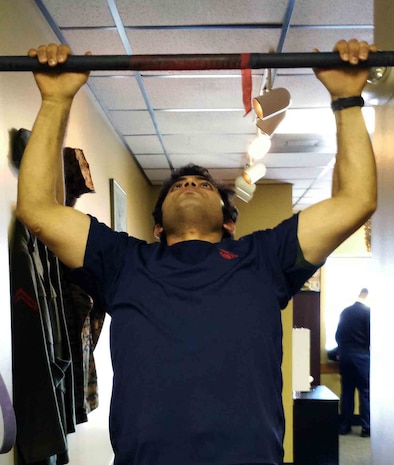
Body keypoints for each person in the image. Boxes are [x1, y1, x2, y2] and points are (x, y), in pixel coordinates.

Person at [16, 39, 377, 465]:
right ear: (156, 226)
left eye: (204, 185)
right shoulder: (123, 261)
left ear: (229, 223)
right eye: (179, 186)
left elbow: (356, 200)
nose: (190, 185)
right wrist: (57, 98)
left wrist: (347, 96)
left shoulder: (263, 258)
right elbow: (38, 209)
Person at [336, 288, 371, 437]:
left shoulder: (345, 312)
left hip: (345, 356)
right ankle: (366, 427)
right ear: (366, 296)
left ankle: (345, 426)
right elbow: (371, 336)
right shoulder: (368, 312)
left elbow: (338, 335)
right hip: (362, 357)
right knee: (364, 392)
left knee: (347, 392)